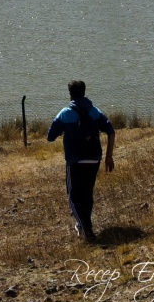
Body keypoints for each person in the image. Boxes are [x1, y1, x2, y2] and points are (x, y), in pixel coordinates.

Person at [47, 79, 115, 242]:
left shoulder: (64, 113)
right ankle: (84, 224)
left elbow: (50, 137)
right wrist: (109, 157)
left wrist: (64, 131)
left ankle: (85, 227)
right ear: (84, 92)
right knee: (87, 192)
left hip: (75, 160)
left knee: (73, 195)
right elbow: (111, 131)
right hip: (94, 158)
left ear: (70, 94)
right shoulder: (95, 111)